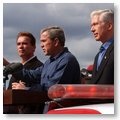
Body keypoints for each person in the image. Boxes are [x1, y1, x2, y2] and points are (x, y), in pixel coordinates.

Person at [12, 26, 81, 113]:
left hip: (61, 112)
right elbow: (32, 75)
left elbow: (52, 89)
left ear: (55, 42)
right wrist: (11, 69)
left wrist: (26, 89)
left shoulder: (67, 60)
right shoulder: (49, 62)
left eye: (44, 41)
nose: (41, 45)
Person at [3, 32, 43, 113]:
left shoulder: (39, 67)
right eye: (18, 44)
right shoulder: (17, 67)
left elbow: (40, 93)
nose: (21, 46)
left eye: (24, 43)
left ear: (34, 47)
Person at [90, 9, 114, 84]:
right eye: (91, 25)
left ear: (109, 26)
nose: (92, 29)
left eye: (95, 24)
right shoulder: (98, 55)